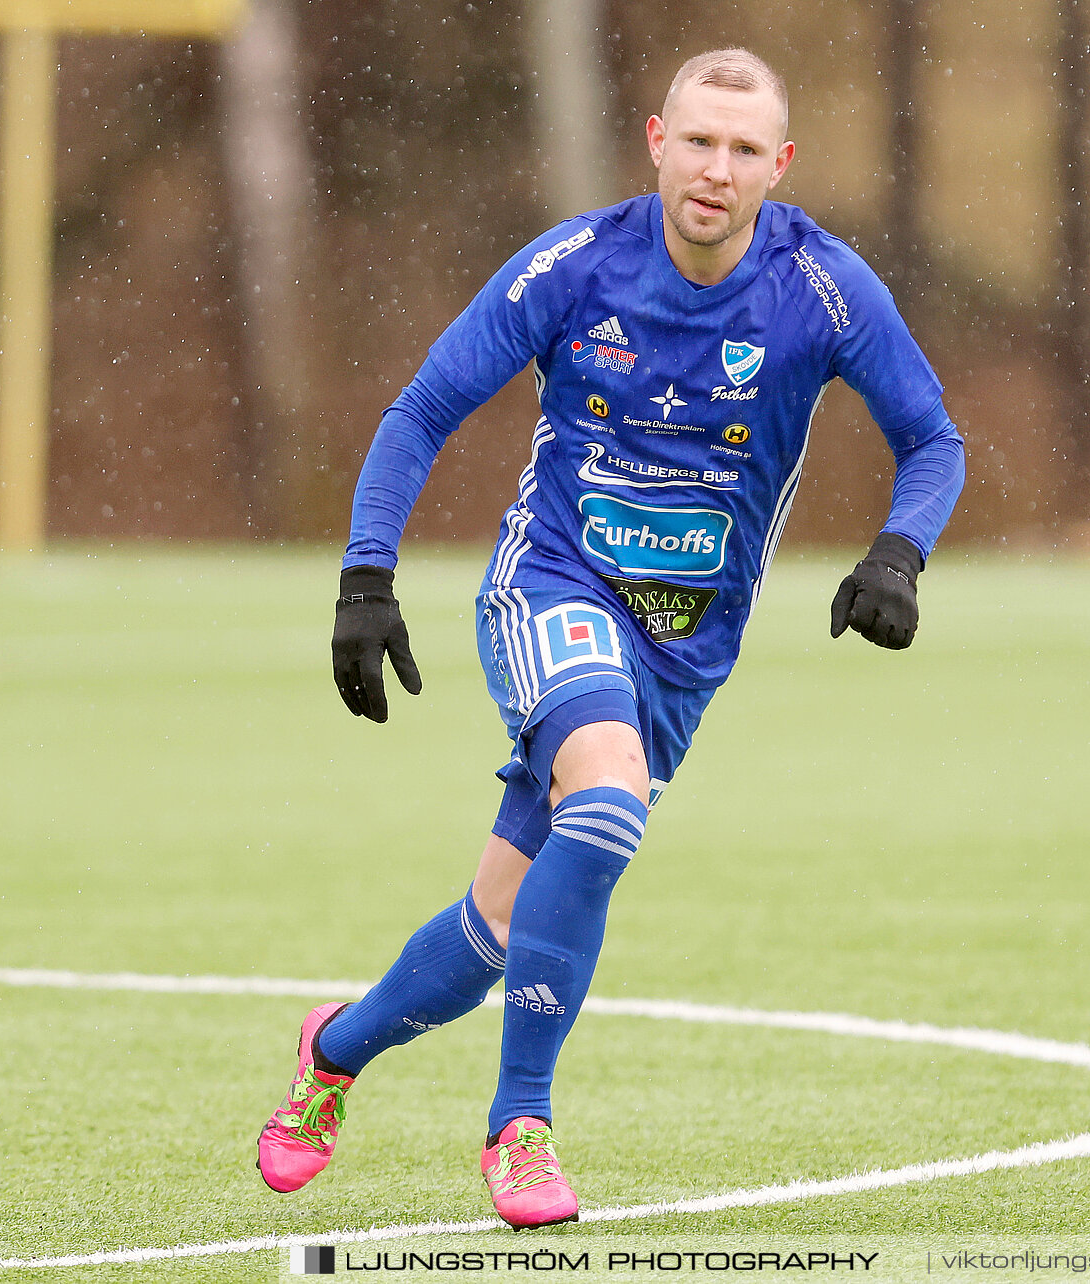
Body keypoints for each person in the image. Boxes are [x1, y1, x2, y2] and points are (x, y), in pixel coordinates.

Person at [254, 48, 964, 1230]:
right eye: (698, 141)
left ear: (778, 168)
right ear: (656, 140)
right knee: (608, 805)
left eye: (744, 152)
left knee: (496, 927)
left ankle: (335, 1050)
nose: (716, 170)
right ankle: (519, 1129)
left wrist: (900, 551)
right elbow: (424, 405)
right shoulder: (580, 265)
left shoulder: (824, 291)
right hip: (553, 585)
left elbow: (933, 439)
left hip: (685, 651)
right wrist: (365, 574)